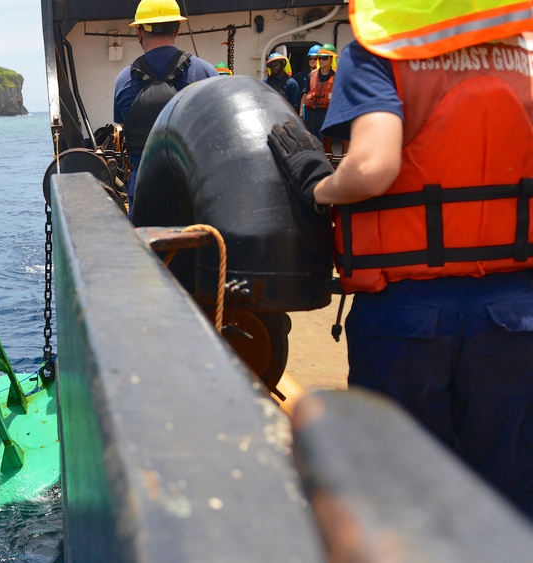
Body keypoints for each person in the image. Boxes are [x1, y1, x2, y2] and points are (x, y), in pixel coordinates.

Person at [267, 0, 533, 519]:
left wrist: (317, 184)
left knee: (399, 495)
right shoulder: (521, 53)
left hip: (408, 316)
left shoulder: (382, 51)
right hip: (514, 314)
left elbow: (372, 166)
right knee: (512, 489)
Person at [113, 0, 217, 211]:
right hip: (192, 189)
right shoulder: (207, 73)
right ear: (177, 29)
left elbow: (122, 125)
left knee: (144, 245)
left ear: (140, 32)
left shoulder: (123, 80)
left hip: (143, 188)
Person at [300, 44, 346, 156]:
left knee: (325, 146)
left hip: (326, 115)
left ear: (331, 59)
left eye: (324, 58)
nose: (320, 60)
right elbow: (305, 94)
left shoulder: (336, 78)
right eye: (319, 58)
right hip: (311, 115)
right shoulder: (311, 75)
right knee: (310, 143)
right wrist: (301, 114)